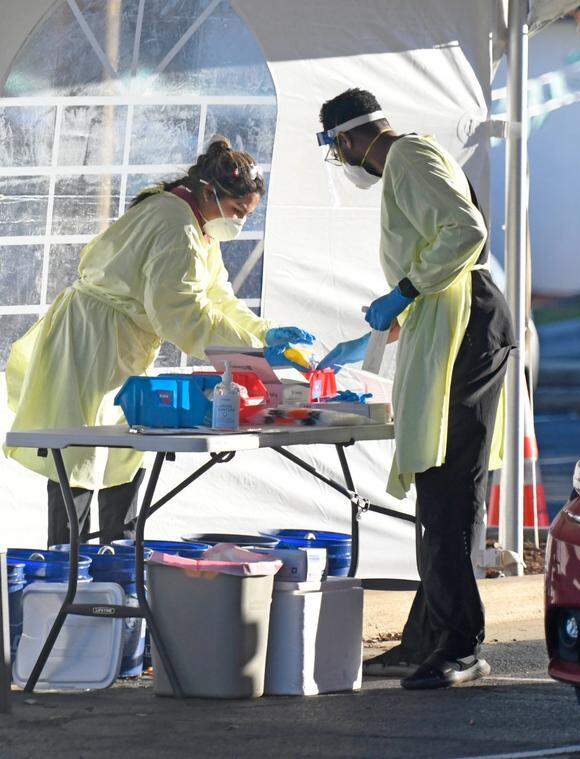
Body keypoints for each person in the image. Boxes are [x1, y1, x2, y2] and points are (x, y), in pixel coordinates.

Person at [4, 137, 314, 547]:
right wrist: (251, 354)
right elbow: (182, 313)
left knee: (126, 450)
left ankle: (120, 560)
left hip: (123, 338)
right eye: (238, 211)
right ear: (210, 192)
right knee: (79, 449)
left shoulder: (197, 223)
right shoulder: (175, 224)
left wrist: (262, 331)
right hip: (92, 338)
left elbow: (215, 296)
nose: (239, 222)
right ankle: (69, 572)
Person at [316, 89, 515, 690]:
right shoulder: (414, 158)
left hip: (469, 328)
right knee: (440, 485)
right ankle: (427, 638)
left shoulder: (405, 158)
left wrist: (403, 289)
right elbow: (438, 252)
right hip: (454, 325)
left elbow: (465, 233)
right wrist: (384, 329)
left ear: (348, 141)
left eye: (337, 150)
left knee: (447, 485)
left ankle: (461, 645)